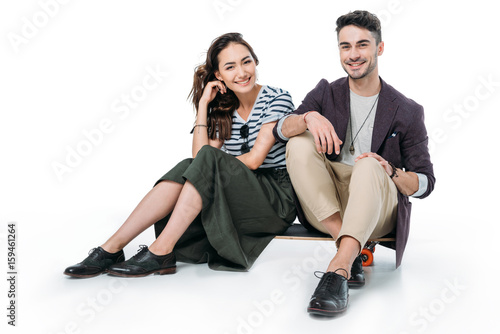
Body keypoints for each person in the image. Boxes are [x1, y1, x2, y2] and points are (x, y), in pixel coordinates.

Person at [64, 32, 296, 278]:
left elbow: (255, 159)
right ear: (219, 75)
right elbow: (198, 158)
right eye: (230, 66)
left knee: (205, 163)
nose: (242, 72)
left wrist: (213, 170)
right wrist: (204, 105)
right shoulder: (225, 107)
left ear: (255, 62)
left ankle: (162, 249)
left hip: (274, 197)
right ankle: (112, 247)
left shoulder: (277, 98)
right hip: (239, 190)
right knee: (192, 163)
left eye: (246, 61)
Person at [273, 10, 435, 315]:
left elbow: (426, 183)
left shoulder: (407, 110)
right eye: (345, 46)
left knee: (369, 164)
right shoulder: (326, 92)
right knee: (298, 141)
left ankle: (338, 270)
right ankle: (350, 249)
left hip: (377, 206)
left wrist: (392, 171)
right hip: (327, 203)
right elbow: (279, 130)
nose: (353, 55)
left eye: (362, 45)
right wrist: (308, 117)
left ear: (379, 48)